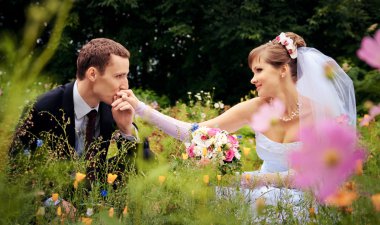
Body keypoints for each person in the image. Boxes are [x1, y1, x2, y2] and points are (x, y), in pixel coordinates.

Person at [114, 32, 356, 219]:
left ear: (283, 70)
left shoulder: (321, 113)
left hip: (306, 199)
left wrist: (248, 180)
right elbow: (194, 132)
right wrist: (140, 108)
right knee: (204, 194)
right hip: (261, 187)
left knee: (264, 200)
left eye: (259, 70)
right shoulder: (256, 107)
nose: (253, 79)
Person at [10, 38, 143, 209]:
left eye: (126, 75)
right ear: (93, 74)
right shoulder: (42, 108)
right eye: (118, 76)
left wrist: (127, 130)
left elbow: (144, 164)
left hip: (98, 206)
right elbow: (15, 168)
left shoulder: (115, 107)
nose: (125, 85)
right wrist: (51, 202)